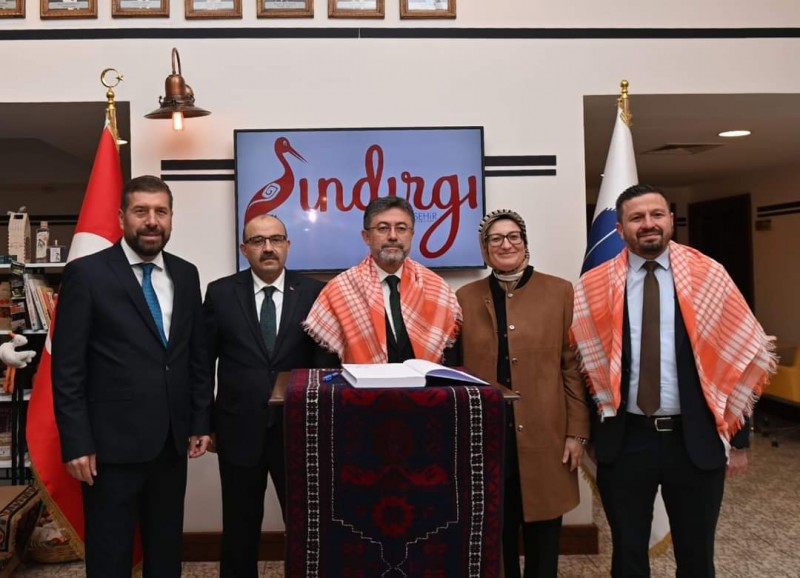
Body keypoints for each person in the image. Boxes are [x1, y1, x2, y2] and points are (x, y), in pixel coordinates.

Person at [571, 184, 776, 577]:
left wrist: (739, 439)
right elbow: (583, 365)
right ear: (620, 229)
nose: (648, 224)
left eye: (657, 215)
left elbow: (739, 357)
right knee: (628, 554)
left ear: (669, 220)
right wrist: (591, 436)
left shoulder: (709, 275)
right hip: (625, 441)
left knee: (697, 557)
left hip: (694, 440)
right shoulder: (594, 285)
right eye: (637, 218)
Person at [52, 175, 213, 578]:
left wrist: (200, 420)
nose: (152, 221)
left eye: (161, 211)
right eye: (141, 211)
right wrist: (76, 442)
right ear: (122, 217)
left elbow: (195, 356)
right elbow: (68, 368)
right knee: (110, 557)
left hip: (171, 445)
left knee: (165, 553)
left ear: (171, 217)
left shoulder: (187, 274)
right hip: (109, 449)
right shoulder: (87, 274)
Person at [454, 209, 590, 578]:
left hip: (546, 435)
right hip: (489, 438)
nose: (506, 244)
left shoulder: (559, 291)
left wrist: (576, 433)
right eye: (495, 239)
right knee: (497, 533)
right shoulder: (465, 297)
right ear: (485, 250)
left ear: (525, 243)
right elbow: (456, 373)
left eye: (513, 236)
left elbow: (572, 368)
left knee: (544, 535)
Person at [203, 213, 337, 578]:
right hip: (237, 427)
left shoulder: (314, 293)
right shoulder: (220, 293)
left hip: (297, 430)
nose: (268, 248)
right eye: (258, 241)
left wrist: (322, 425)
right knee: (239, 523)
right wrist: (204, 422)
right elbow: (202, 362)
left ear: (288, 245)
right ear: (244, 249)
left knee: (305, 523)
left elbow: (324, 367)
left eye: (276, 239)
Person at [304, 195, 461, 363]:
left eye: (401, 228)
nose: (393, 236)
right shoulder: (339, 290)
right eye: (383, 228)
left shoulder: (436, 288)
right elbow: (326, 365)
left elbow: (451, 361)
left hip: (425, 380)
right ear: (366, 236)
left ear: (412, 234)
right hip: (360, 381)